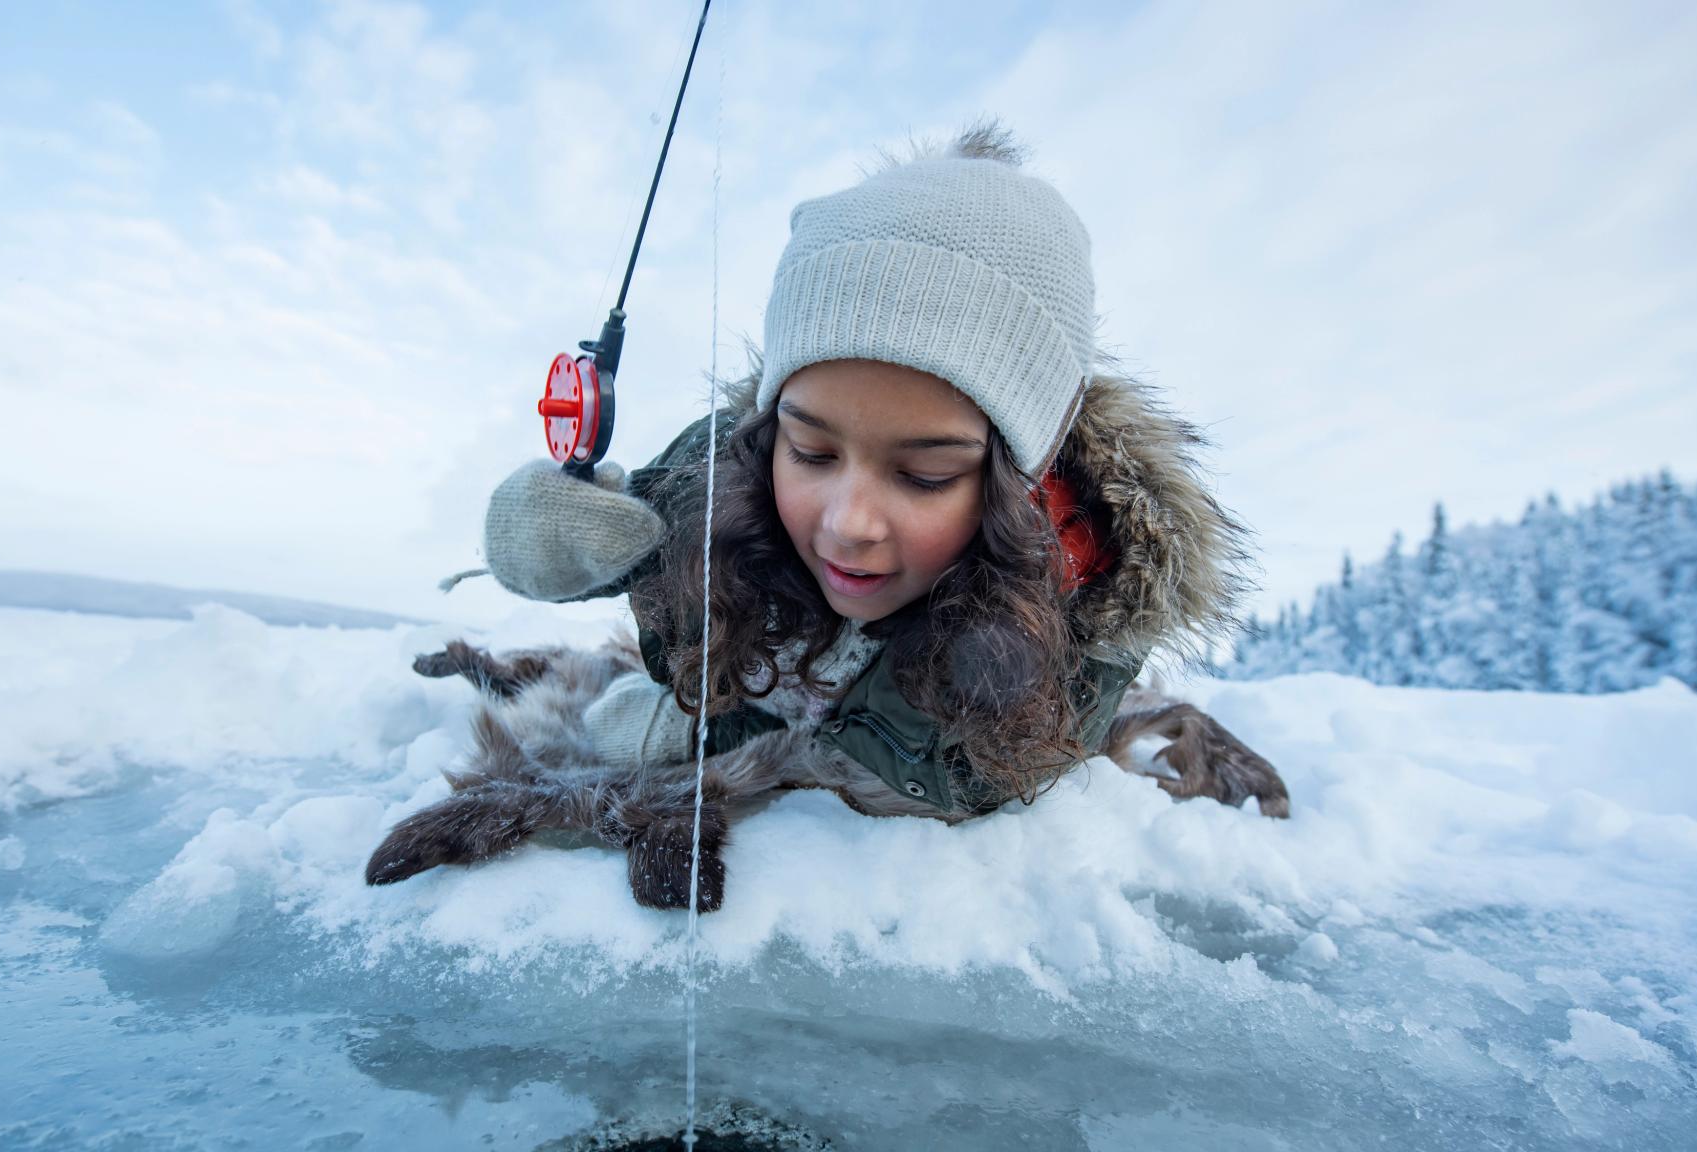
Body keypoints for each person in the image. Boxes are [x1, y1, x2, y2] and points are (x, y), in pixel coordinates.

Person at [366, 121, 1288, 912]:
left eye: (924, 475)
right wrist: (567, 539)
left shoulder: (1087, 591)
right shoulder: (733, 460)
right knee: (620, 724)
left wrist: (776, 737)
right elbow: (626, 523)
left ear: (1022, 487)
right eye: (811, 453)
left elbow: (954, 779)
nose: (848, 522)